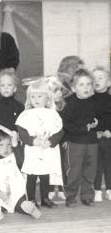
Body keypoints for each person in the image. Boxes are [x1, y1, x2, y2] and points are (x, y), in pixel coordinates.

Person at [15, 80, 63, 208]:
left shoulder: (53, 114)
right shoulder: (25, 115)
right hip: (33, 149)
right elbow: (22, 132)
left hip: (47, 149)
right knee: (32, 174)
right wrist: (32, 141)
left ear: (47, 98)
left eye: (39, 96)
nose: (36, 99)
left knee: (45, 174)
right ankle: (31, 199)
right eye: (33, 96)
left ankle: (45, 198)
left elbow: (59, 131)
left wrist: (51, 141)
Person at [0, 125, 42, 219]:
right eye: (1, 145)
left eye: (9, 145)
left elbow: (22, 164)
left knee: (18, 201)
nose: (5, 148)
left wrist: (15, 145)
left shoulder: (14, 156)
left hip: (14, 191)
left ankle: (27, 207)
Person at [62, 69, 98, 207]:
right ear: (73, 87)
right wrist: (83, 128)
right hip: (75, 142)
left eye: (89, 84)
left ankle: (87, 195)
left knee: (90, 170)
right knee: (74, 171)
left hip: (92, 142)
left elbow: (100, 117)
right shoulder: (69, 102)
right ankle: (70, 196)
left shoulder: (94, 101)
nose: (86, 88)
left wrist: (97, 123)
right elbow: (65, 124)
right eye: (82, 84)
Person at [91, 66, 111, 202]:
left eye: (100, 77)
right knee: (96, 165)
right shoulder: (89, 100)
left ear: (109, 83)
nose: (96, 80)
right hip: (94, 138)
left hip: (108, 137)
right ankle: (97, 189)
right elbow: (87, 118)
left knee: (109, 164)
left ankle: (109, 189)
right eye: (94, 78)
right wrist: (94, 133)